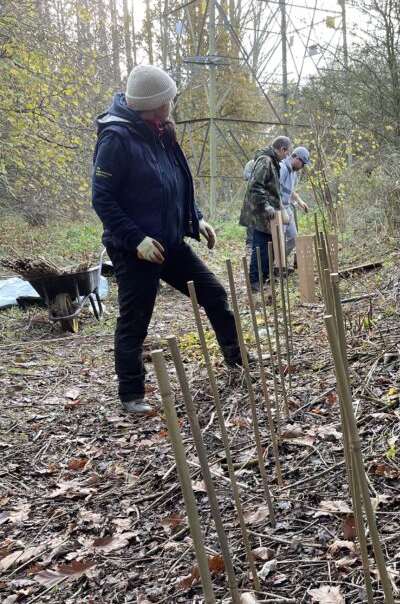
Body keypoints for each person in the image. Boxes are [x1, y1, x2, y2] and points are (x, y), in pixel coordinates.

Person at [92, 64, 242, 417]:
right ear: (155, 103)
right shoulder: (117, 138)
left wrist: (196, 217)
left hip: (171, 244)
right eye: (168, 98)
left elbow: (176, 183)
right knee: (136, 319)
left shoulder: (160, 131)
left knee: (214, 294)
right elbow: (103, 199)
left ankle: (237, 359)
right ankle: (131, 394)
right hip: (136, 250)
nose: (172, 102)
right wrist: (135, 239)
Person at [239, 136, 291, 292]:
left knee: (270, 245)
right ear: (281, 149)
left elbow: (273, 189)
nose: (286, 156)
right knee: (260, 247)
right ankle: (254, 281)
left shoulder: (272, 162)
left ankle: (266, 277)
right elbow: (255, 185)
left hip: (269, 214)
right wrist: (266, 205)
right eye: (286, 153)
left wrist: (280, 209)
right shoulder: (266, 161)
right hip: (260, 212)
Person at [279, 146, 312, 261]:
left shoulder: (293, 172)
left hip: (287, 207)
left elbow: (289, 190)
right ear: (297, 159)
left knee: (293, 238)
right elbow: (276, 191)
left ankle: (278, 262)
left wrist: (300, 201)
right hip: (278, 208)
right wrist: (282, 212)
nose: (303, 167)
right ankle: (276, 265)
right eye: (303, 164)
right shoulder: (282, 168)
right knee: (279, 240)